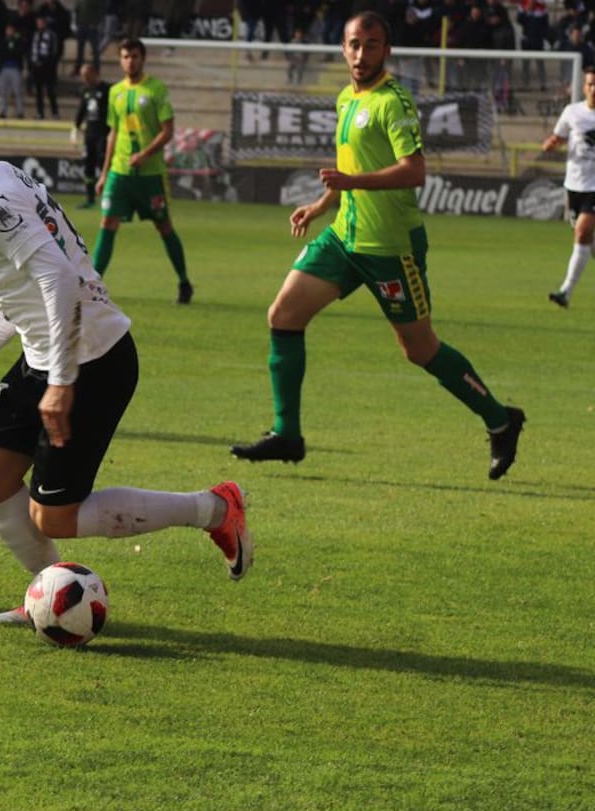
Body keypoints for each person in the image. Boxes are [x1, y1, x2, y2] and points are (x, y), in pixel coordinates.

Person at [0, 82, 253, 624]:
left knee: (54, 516)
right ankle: (49, 597)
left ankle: (216, 508)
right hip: (52, 357)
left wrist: (61, 382)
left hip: (91, 362)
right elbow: (19, 299)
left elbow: (58, 279)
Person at [228, 13, 526, 481]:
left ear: (386, 50)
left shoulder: (394, 101)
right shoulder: (346, 97)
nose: (361, 54)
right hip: (344, 236)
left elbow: (414, 170)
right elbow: (350, 167)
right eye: (354, 44)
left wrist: (352, 183)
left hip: (390, 247)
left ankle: (502, 420)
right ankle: (287, 434)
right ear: (343, 48)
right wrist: (322, 204)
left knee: (419, 349)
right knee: (283, 315)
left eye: (371, 45)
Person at [93, 38, 193, 304]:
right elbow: (113, 133)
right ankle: (91, 286)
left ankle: (184, 282)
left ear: (143, 59)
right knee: (107, 223)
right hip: (119, 172)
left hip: (150, 175)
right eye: (125, 57)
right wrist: (104, 173)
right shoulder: (115, 92)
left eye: (135, 56)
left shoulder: (156, 89)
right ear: (120, 60)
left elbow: (167, 131)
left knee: (163, 226)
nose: (130, 61)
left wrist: (144, 155)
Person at [542, 67, 595, 309]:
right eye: (590, 84)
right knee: (586, 240)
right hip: (574, 184)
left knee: (582, 232)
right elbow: (559, 137)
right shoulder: (572, 112)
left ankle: (565, 292)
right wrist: (551, 144)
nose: (593, 88)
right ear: (584, 87)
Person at [72, 62, 108, 208]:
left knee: (103, 163)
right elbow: (81, 111)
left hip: (103, 133)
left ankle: (108, 198)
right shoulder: (85, 91)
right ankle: (90, 199)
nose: (85, 79)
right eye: (83, 76)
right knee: (88, 165)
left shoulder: (106, 89)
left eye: (87, 76)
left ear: (95, 74)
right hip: (90, 134)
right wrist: (75, 129)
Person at [28, 13, 60, 119]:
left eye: (41, 22)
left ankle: (55, 112)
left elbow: (54, 51)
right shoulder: (35, 34)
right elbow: (32, 50)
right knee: (38, 92)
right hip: (36, 67)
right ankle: (40, 112)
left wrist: (49, 64)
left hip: (48, 67)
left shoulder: (51, 35)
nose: (39, 24)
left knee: (50, 91)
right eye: (38, 22)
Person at [0, 21, 26, 118]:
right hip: (4, 69)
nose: (10, 32)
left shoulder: (18, 42)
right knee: (3, 92)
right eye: (8, 30)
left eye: (11, 30)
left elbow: (19, 54)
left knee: (17, 91)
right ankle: (3, 111)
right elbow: (0, 55)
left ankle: (20, 112)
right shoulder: (3, 42)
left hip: (15, 69)